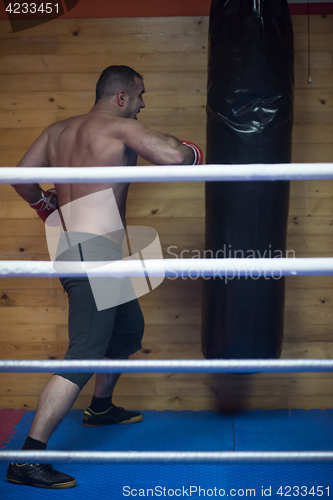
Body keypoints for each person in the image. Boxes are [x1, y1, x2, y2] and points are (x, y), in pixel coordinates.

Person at [6, 65, 202, 489]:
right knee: (84, 354)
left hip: (75, 245)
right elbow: (172, 157)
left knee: (128, 329)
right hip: (93, 253)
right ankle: (28, 458)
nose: (142, 104)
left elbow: (21, 178)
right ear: (121, 98)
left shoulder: (57, 131)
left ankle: (101, 407)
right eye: (140, 96)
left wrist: (45, 206)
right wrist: (196, 150)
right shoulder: (118, 128)